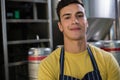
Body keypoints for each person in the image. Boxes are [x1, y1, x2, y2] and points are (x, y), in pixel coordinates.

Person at [38, 0, 120, 80]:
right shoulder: (48, 66)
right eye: (67, 17)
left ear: (86, 22)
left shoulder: (107, 61)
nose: (75, 21)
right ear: (60, 26)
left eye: (80, 15)